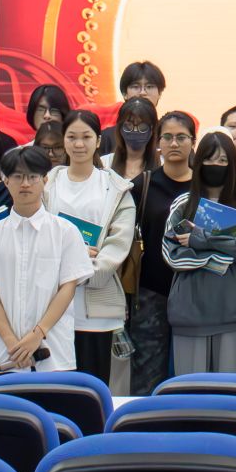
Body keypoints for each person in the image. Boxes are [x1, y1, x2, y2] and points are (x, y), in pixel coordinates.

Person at [0, 146, 93, 373]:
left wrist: (38, 334)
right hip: (7, 354)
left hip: (54, 351)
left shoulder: (65, 231)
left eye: (32, 176)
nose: (25, 183)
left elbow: (68, 287)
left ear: (45, 180)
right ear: (6, 181)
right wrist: (11, 342)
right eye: (17, 176)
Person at [44, 110, 136, 383]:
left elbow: (118, 245)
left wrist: (81, 268)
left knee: (95, 388)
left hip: (98, 310)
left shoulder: (116, 188)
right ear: (63, 140)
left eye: (86, 137)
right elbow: (38, 237)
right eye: (72, 137)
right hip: (51, 308)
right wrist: (74, 255)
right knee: (57, 389)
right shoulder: (47, 185)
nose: (79, 144)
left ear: (98, 141)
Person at [161, 131, 236, 375]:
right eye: (209, 159)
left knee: (229, 390)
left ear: (232, 164)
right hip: (189, 312)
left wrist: (200, 239)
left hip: (233, 311)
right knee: (191, 390)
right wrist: (219, 257)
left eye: (223, 160)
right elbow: (171, 253)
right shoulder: (183, 203)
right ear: (198, 162)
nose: (215, 165)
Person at [128, 110, 198, 394]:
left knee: (192, 376)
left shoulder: (205, 186)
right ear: (158, 142)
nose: (174, 143)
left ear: (193, 141)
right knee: (146, 376)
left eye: (181, 137)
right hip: (151, 293)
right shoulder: (142, 185)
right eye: (167, 137)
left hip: (195, 289)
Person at [104, 96, 160, 182]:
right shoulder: (104, 165)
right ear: (120, 128)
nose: (135, 131)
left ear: (152, 129)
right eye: (129, 125)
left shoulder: (163, 167)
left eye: (142, 126)